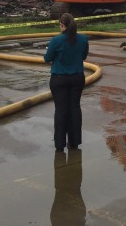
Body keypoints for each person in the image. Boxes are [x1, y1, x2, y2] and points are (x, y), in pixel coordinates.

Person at [44, 13, 89, 152]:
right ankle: (75, 141)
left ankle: (59, 143)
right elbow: (84, 56)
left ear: (62, 25)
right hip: (77, 78)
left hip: (59, 79)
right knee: (75, 108)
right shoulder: (83, 39)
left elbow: (47, 58)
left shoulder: (56, 40)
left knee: (61, 110)